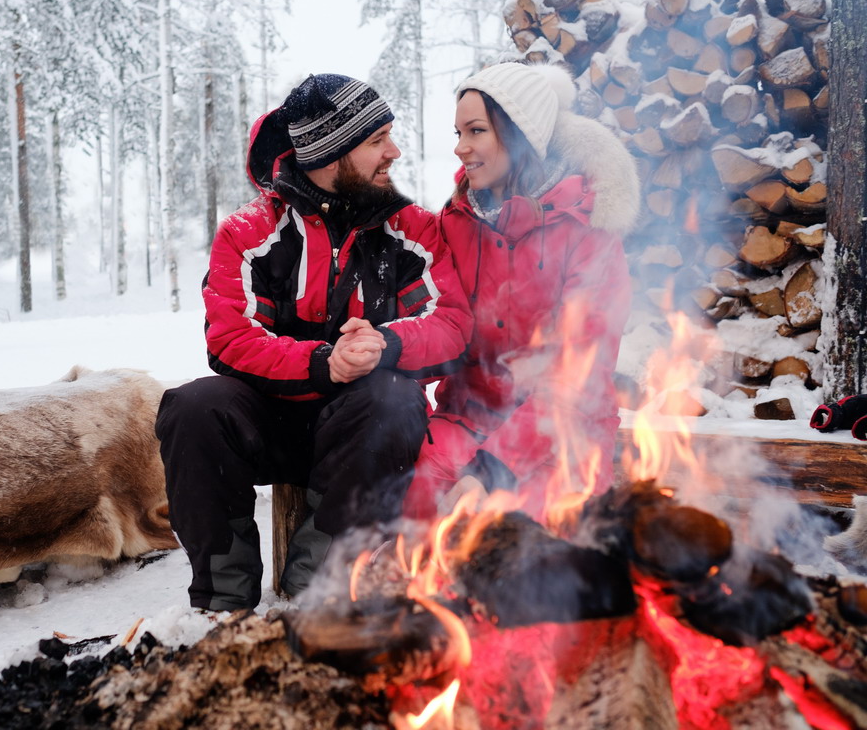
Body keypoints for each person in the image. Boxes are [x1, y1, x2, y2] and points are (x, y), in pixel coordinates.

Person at [156, 74, 471, 611]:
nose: (393, 152)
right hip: (270, 424)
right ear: (331, 153)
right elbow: (229, 338)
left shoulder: (411, 230)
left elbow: (453, 322)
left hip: (363, 437)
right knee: (193, 406)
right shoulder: (249, 232)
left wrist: (384, 344)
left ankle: (316, 590)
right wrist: (325, 363)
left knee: (393, 399)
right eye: (377, 140)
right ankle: (221, 602)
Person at [402, 61, 640, 522]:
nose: (460, 148)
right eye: (457, 132)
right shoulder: (455, 222)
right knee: (417, 546)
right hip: (466, 420)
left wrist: (491, 468)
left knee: (520, 548)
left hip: (562, 433)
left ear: (519, 135)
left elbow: (580, 372)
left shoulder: (587, 231)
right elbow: (437, 325)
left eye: (475, 131)